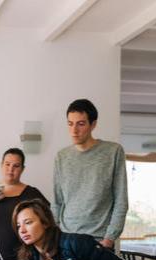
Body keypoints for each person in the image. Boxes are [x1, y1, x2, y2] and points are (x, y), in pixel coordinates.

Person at [52, 99, 128, 249]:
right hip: (66, 238)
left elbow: (121, 200)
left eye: (80, 124)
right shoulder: (62, 156)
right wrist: (55, 237)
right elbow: (57, 202)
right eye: (70, 124)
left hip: (99, 240)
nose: (74, 130)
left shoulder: (113, 151)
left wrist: (109, 239)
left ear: (93, 124)